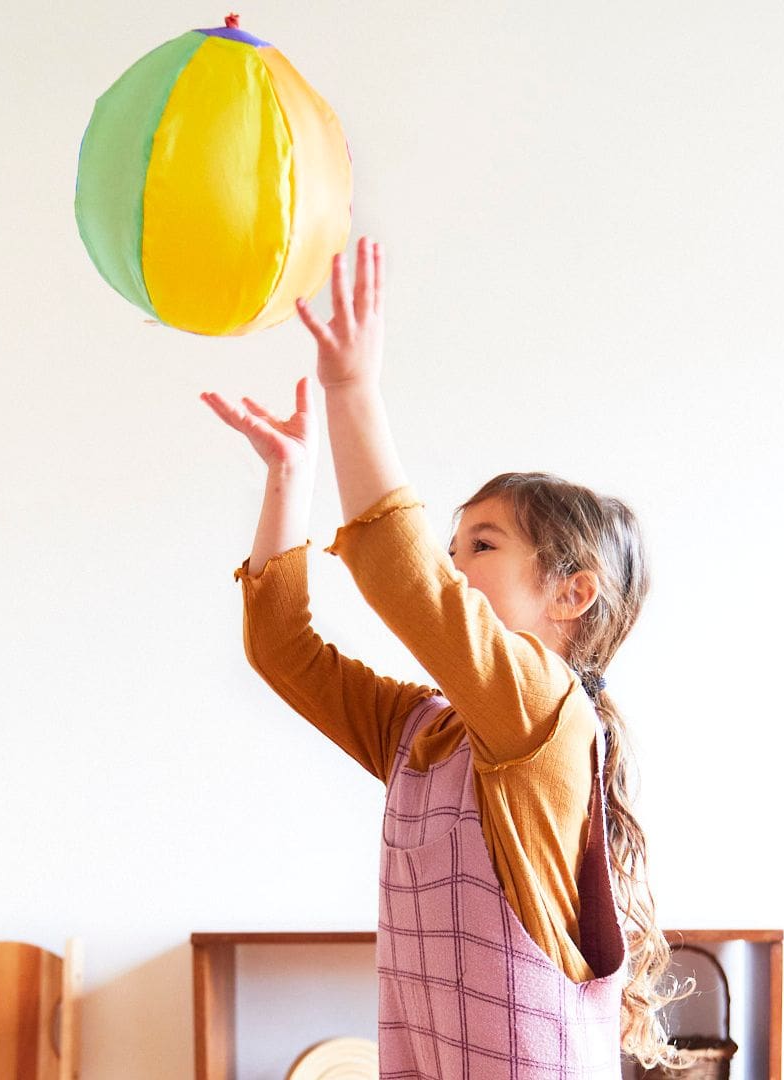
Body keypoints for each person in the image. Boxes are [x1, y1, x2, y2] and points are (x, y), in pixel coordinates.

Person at [201, 237, 685, 1077]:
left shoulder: (546, 716)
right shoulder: (424, 733)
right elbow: (283, 651)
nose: (455, 566)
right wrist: (290, 481)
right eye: (453, 547)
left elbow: (404, 578)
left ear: (572, 593)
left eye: (482, 546)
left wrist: (351, 392)